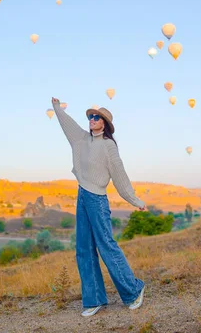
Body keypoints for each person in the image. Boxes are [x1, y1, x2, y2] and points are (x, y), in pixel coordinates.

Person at [51, 97, 146, 317]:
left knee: (106, 246)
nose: (92, 119)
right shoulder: (81, 139)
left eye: (96, 117)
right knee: (83, 249)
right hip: (82, 196)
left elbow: (119, 175)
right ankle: (94, 300)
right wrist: (57, 108)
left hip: (97, 200)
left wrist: (134, 199)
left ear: (105, 123)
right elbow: (68, 124)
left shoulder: (108, 145)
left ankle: (133, 290)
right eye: (91, 117)